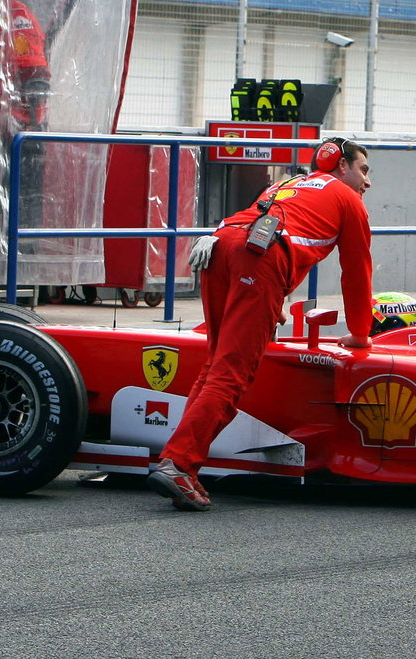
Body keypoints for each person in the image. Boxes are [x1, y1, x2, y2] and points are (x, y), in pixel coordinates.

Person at [148, 138, 376, 512]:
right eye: (363, 171)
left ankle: (176, 458)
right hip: (258, 257)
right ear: (340, 166)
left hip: (218, 244)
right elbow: (356, 274)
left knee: (215, 365)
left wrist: (273, 299)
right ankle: (179, 463)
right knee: (231, 372)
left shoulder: (287, 183)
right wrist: (361, 334)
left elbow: (278, 229)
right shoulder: (347, 199)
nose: (367, 183)